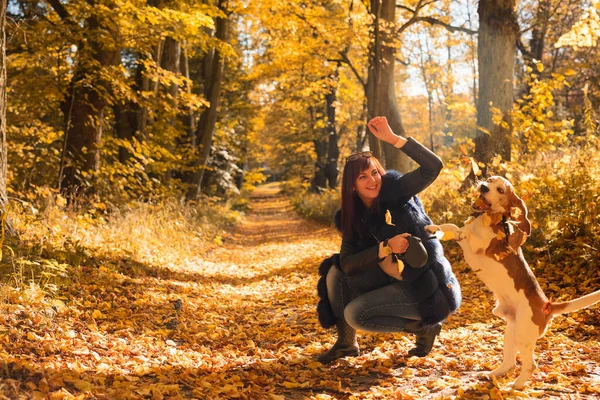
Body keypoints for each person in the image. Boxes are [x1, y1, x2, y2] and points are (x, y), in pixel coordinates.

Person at [317, 116, 462, 363]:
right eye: (363, 177)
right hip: (394, 275)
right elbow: (348, 262)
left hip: (429, 284)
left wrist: (393, 139)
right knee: (335, 273)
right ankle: (345, 344)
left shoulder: (397, 191)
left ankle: (424, 327)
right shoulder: (352, 216)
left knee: (357, 314)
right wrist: (384, 248)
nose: (372, 180)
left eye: (374, 173)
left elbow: (433, 167)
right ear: (352, 186)